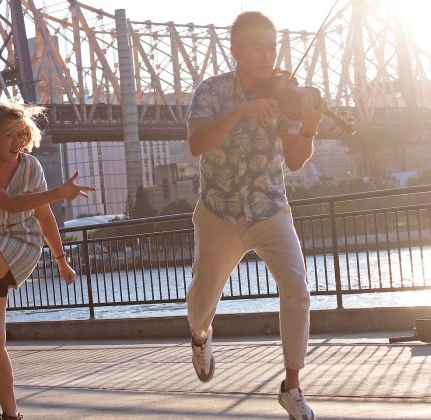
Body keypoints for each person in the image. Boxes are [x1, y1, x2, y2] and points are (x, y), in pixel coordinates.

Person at [185, 11, 325, 420]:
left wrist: (310, 126)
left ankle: (292, 387)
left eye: (272, 46)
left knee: (297, 286)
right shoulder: (209, 92)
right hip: (219, 211)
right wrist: (242, 111)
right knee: (203, 299)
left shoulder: (285, 94)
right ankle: (199, 335)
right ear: (236, 52)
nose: (268, 55)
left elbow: (297, 160)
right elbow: (196, 144)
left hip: (269, 206)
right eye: (257, 48)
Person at [0, 95, 94, 420]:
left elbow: (42, 215)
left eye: (22, 133)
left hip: (20, 245)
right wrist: (60, 191)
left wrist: (60, 258)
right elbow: (9, 203)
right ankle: (11, 415)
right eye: (11, 134)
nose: (20, 140)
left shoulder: (30, 166)